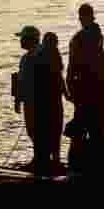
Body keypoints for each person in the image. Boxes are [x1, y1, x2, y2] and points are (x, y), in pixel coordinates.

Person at [68, 22, 104, 165]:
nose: (97, 40)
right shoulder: (82, 57)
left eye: (98, 37)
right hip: (85, 103)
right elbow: (70, 77)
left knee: (97, 138)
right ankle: (77, 166)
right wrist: (75, 98)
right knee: (80, 137)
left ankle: (92, 166)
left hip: (99, 103)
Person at [36, 32, 67, 173]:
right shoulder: (51, 55)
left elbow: (59, 77)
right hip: (51, 100)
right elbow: (59, 77)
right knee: (54, 130)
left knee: (50, 130)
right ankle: (53, 160)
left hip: (48, 100)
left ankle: (50, 160)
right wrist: (66, 93)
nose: (55, 44)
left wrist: (66, 93)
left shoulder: (43, 55)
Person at [13, 25, 42, 168]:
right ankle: (40, 158)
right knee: (36, 130)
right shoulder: (35, 55)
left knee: (35, 130)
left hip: (34, 101)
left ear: (30, 39)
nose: (20, 41)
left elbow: (23, 81)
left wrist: (19, 100)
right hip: (34, 100)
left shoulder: (30, 57)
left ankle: (39, 159)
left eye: (22, 38)